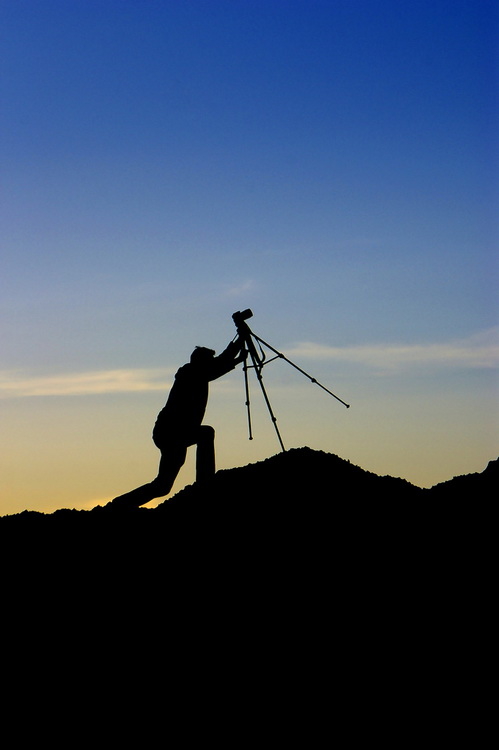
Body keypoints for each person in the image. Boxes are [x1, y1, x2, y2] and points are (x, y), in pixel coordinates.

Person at [107, 335, 246, 510]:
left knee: (163, 486)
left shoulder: (196, 372)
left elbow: (219, 362)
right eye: (208, 360)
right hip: (171, 433)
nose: (212, 363)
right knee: (206, 433)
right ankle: (205, 482)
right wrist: (238, 352)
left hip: (174, 433)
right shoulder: (190, 373)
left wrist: (239, 343)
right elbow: (217, 366)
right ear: (201, 361)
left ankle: (120, 504)